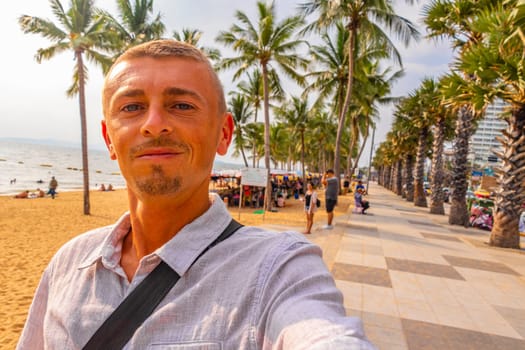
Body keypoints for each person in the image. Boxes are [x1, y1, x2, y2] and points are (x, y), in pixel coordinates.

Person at [17, 40, 374, 349]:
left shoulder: (277, 271)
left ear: (223, 133)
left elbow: (320, 332)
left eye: (182, 106)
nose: (154, 123)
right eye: (132, 107)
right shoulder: (69, 264)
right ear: (109, 139)